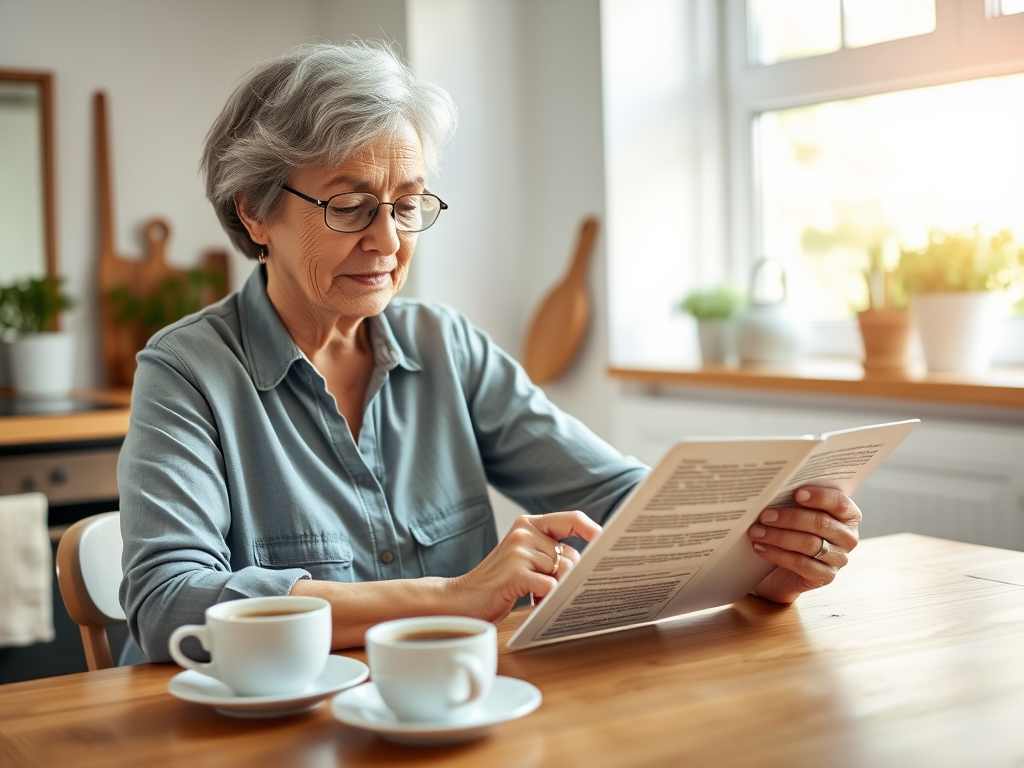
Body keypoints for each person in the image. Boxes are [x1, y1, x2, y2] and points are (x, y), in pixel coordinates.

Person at [118, 42, 862, 663]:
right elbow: (169, 604)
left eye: (407, 203)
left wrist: (767, 558)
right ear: (255, 210)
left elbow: (621, 497)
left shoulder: (448, 348)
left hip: (457, 714)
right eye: (348, 206)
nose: (387, 241)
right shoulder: (187, 374)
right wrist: (452, 595)